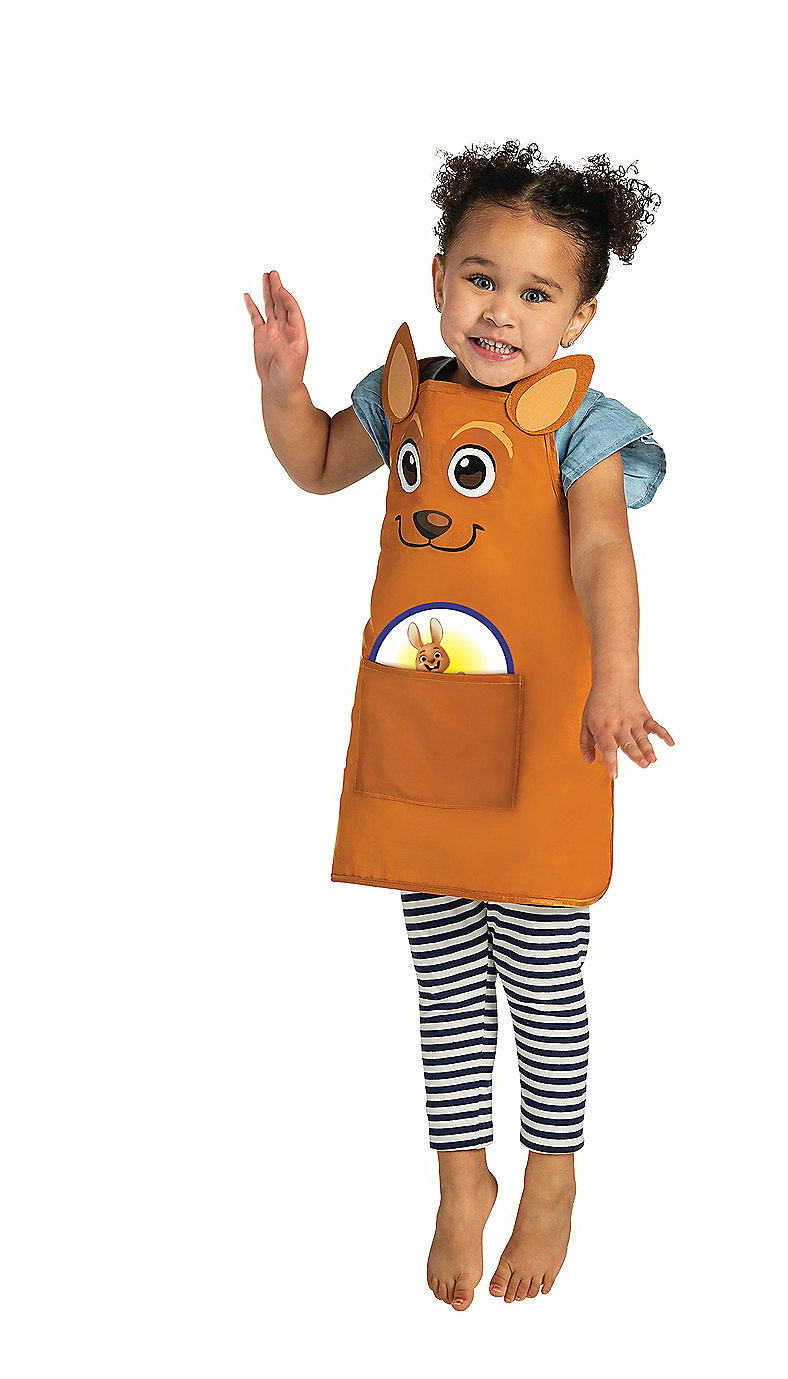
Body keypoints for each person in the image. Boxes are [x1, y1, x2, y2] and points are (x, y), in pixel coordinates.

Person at [244, 140, 674, 1310]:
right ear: (439, 279)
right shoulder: (405, 396)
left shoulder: (585, 428)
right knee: (442, 976)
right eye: (482, 279)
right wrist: (284, 387)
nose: (501, 312)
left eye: (536, 293)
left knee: (542, 978)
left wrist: (619, 680)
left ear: (577, 318)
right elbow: (318, 463)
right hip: (427, 719)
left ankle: (552, 1172)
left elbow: (603, 549)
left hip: (547, 736)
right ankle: (458, 1175)